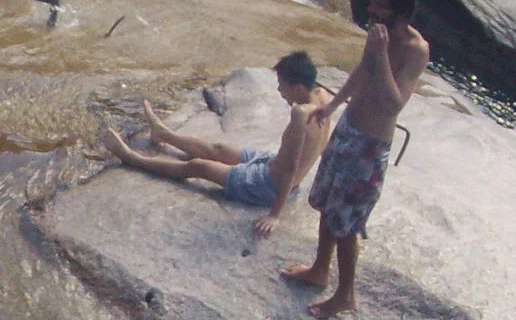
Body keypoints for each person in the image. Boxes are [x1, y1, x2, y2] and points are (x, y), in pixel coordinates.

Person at [284, 0, 430, 319]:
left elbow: (394, 103)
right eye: (373, 4)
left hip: (370, 144)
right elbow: (363, 71)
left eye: (382, 6)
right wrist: (333, 106)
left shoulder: (415, 50)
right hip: (348, 129)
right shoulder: (376, 34)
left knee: (345, 222)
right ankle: (320, 269)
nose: (373, 11)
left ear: (400, 10)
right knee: (324, 203)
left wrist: (381, 53)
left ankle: (345, 294)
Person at [98, 52, 339, 238]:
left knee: (199, 166)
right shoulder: (323, 95)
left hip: (267, 185)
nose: (278, 90)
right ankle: (164, 134)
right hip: (271, 162)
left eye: (281, 86)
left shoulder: (300, 114)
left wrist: (275, 214)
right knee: (219, 150)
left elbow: (290, 169)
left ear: (297, 88)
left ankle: (132, 158)